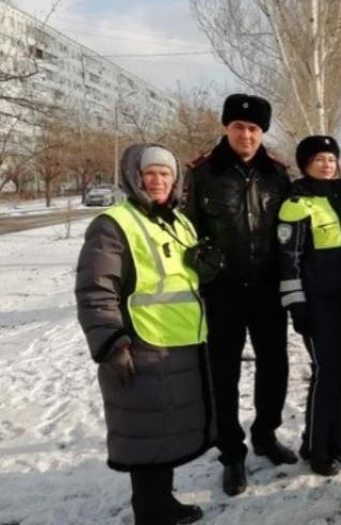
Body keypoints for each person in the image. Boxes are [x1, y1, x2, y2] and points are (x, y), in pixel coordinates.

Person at [75, 143, 215, 525]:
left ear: (175, 180)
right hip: (140, 345)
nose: (157, 181)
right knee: (147, 434)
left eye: (165, 174)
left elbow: (176, 276)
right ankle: (151, 512)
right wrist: (110, 342)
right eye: (149, 173)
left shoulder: (178, 220)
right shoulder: (114, 222)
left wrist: (204, 267)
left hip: (181, 344)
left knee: (163, 433)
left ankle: (162, 503)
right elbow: (95, 289)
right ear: (135, 177)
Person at [184, 94, 295, 497]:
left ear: (262, 132)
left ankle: (266, 434)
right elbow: (188, 233)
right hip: (223, 292)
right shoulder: (202, 174)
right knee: (223, 374)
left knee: (274, 367)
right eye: (238, 127)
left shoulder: (277, 175)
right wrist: (204, 265)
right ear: (226, 128)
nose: (245, 134)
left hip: (267, 289)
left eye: (253, 128)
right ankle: (232, 452)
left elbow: (291, 232)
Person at [277, 135, 341, 477]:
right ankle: (315, 447)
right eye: (318, 160)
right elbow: (289, 261)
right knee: (325, 374)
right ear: (305, 165)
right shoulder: (296, 205)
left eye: (331, 159)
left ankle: (335, 439)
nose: (326, 165)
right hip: (315, 304)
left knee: (338, 373)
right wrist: (297, 304)